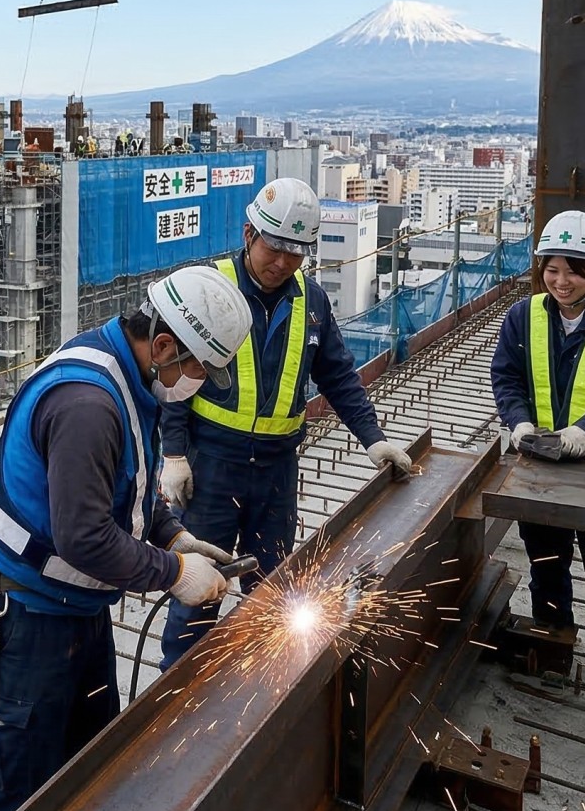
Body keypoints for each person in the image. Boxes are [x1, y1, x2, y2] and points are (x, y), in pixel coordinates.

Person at [0, 265, 252, 811]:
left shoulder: (131, 376)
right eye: (198, 368)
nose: (196, 381)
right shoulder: (88, 406)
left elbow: (129, 483)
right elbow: (83, 536)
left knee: (88, 770)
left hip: (77, 616)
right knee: (12, 799)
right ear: (164, 344)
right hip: (26, 623)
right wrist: (171, 572)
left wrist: (173, 533)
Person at [158, 178, 415, 669]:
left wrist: (374, 440)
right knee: (200, 591)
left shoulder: (311, 302)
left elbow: (338, 377)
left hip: (276, 471)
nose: (281, 263)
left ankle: (262, 688)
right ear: (249, 233)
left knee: (274, 590)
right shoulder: (211, 288)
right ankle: (177, 688)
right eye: (273, 248)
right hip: (212, 467)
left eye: (295, 253)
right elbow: (174, 380)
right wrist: (173, 455)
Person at [488, 210, 585, 692]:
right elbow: (507, 376)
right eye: (552, 270)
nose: (561, 282)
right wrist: (517, 421)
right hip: (540, 462)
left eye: (573, 271)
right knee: (547, 560)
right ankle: (554, 640)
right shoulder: (524, 316)